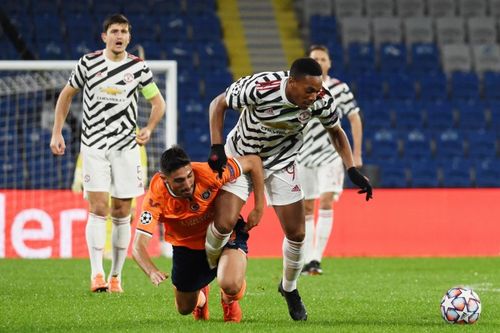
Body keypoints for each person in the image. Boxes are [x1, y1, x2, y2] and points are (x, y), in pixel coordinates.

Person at [204, 57, 373, 321]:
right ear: (292, 83)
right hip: (240, 157)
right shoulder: (259, 87)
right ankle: (206, 271)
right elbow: (218, 104)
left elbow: (336, 132)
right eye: (309, 90)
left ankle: (289, 288)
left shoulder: (322, 99)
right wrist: (216, 147)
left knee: (297, 233)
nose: (315, 96)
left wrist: (351, 169)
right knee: (224, 223)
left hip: (282, 164)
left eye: (318, 90)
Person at [49, 14, 166, 293]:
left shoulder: (138, 68)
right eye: (114, 31)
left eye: (124, 31)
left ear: (129, 37)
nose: (119, 35)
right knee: (99, 208)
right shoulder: (88, 63)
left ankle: (116, 276)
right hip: (94, 146)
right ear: (104, 36)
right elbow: (66, 95)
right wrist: (57, 131)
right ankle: (96, 274)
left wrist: (149, 128)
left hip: (126, 149)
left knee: (122, 212)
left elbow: (158, 102)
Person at [132, 145, 264, 323]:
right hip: (187, 246)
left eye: (189, 176)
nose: (187, 184)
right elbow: (137, 247)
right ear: (164, 179)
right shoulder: (155, 198)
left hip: (222, 235)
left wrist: (259, 207)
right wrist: (152, 271)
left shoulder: (208, 172)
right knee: (184, 309)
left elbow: (253, 162)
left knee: (231, 284)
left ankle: (228, 299)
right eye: (179, 180)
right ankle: (201, 297)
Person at [298, 45, 364, 275]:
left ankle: (316, 258)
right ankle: (307, 259)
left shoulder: (340, 88)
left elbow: (355, 119)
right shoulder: (300, 87)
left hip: (330, 154)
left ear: (329, 63)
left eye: (322, 58)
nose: (319, 61)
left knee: (325, 200)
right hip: (303, 154)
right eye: (314, 58)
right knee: (306, 206)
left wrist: (355, 154)